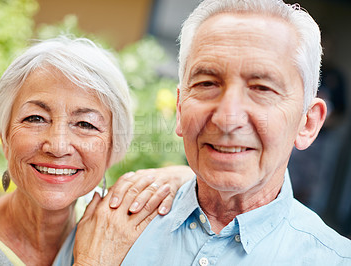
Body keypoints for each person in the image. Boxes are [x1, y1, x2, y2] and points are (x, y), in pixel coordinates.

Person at [59, 0, 351, 265]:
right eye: (207, 84)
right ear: (180, 109)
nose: (227, 118)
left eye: (262, 88)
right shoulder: (108, 227)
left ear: (308, 123)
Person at [0, 36, 194, 265]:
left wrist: (179, 176)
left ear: (112, 147)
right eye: (36, 118)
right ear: (4, 135)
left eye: (85, 124)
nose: (57, 146)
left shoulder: (114, 225)